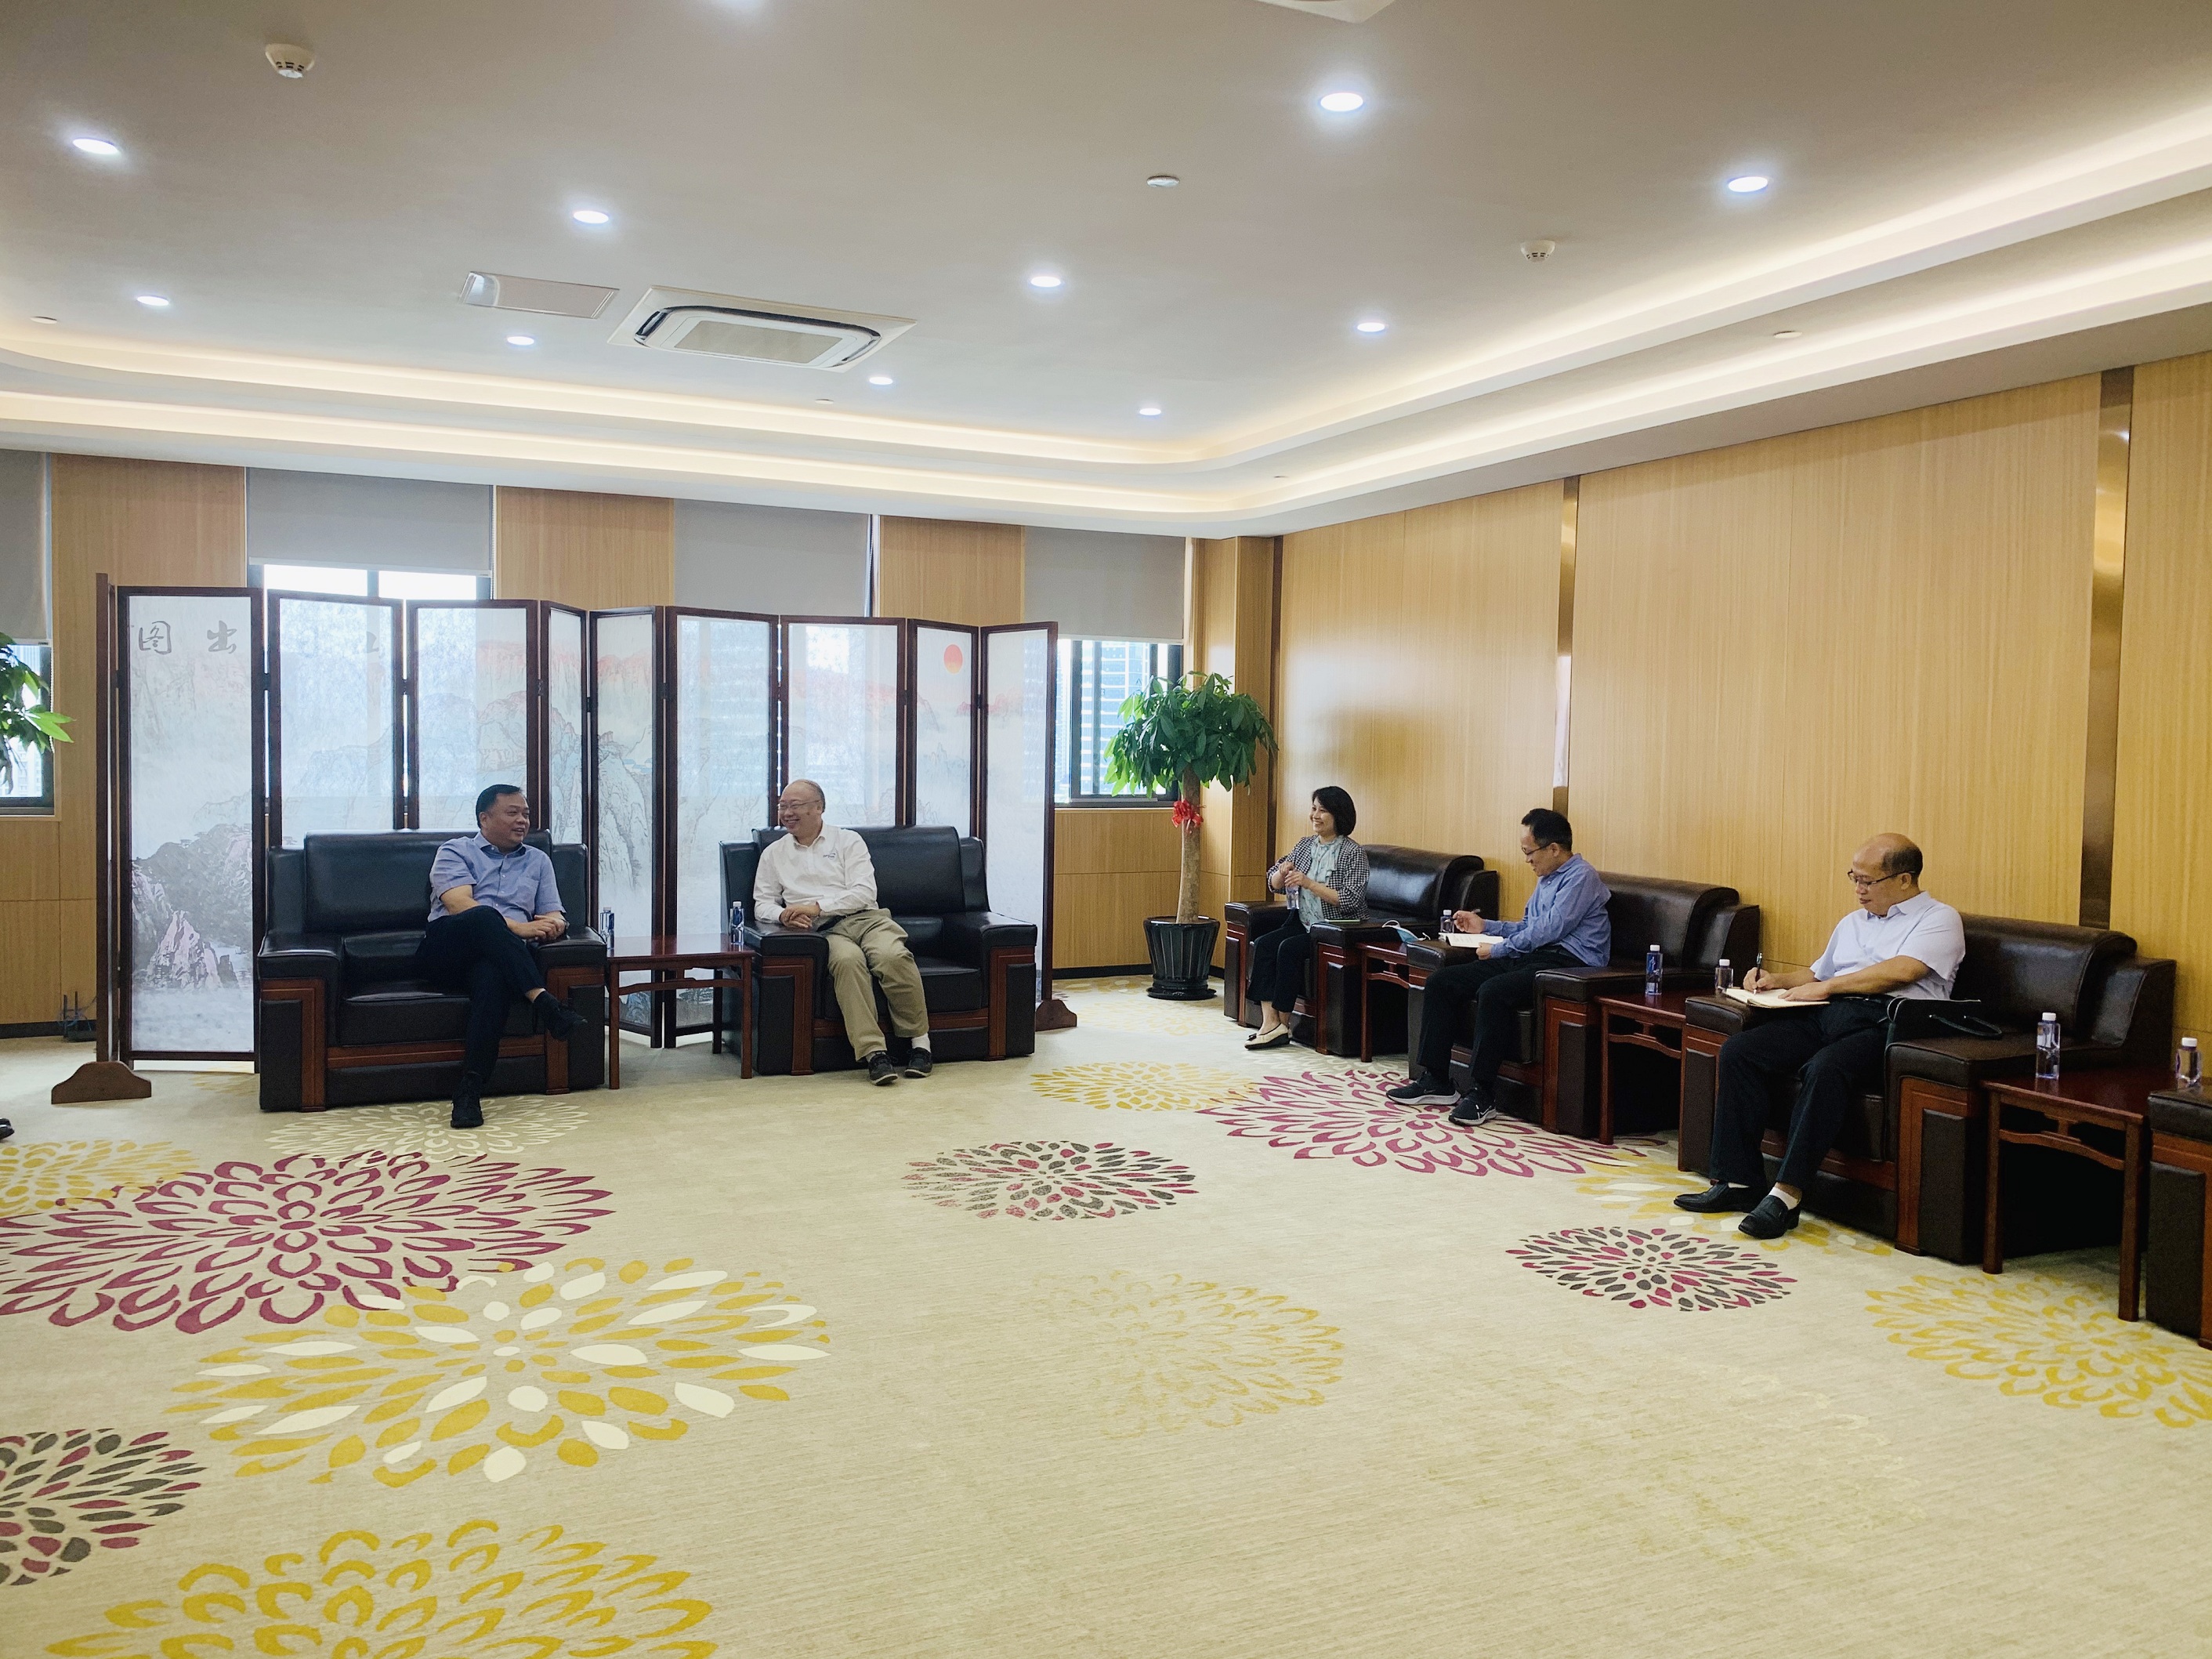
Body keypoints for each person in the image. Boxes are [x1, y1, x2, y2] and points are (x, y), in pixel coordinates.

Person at [1676, 832, 1964, 1238]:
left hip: (1889, 1024)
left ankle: (1787, 1195)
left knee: (1825, 1068)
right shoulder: (1853, 922)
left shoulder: (1938, 919)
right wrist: (1775, 980)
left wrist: (1827, 987)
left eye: (1868, 881)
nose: (1859, 889)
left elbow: (1902, 971)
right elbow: (1817, 973)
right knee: (1742, 1051)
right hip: (1831, 1011)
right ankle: (1739, 1182)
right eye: (1854, 878)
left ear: (1904, 879)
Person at [1387, 808, 1610, 1127]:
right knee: (1442, 982)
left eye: (1529, 852)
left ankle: (1482, 1093)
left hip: (1569, 964)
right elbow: (1530, 927)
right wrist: (1486, 926)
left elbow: (1550, 930)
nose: (1527, 860)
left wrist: (1500, 949)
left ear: (1554, 849)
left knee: (1494, 991)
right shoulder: (1547, 879)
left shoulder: (1581, 877)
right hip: (1536, 956)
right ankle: (1436, 1080)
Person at [418, 784, 595, 1131]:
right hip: (448, 948)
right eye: (512, 813)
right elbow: (459, 905)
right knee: (485, 916)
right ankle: (545, 1002)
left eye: (526, 814)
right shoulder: (455, 851)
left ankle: (469, 1091)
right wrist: (522, 929)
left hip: (500, 959)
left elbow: (554, 913)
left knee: (492, 977)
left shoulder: (538, 861)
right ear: (484, 818)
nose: (523, 821)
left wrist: (555, 924)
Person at [754, 779, 932, 1087]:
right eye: (783, 806)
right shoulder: (774, 853)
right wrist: (783, 914)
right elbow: (762, 903)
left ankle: (920, 1044)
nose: (787, 813)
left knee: (892, 956)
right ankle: (874, 1054)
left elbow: (864, 892)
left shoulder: (848, 841)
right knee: (848, 963)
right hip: (825, 932)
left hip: (867, 919)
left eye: (795, 806)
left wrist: (815, 907)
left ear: (818, 808)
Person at [1244, 787, 1370, 1050]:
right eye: (1314, 809)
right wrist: (1282, 873)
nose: (1315, 815)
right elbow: (1274, 884)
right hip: (1301, 922)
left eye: (1323, 810)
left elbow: (1350, 900)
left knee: (1288, 949)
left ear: (1339, 815)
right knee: (1265, 944)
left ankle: (1283, 1024)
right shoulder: (1304, 846)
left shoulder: (1353, 853)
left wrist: (1309, 883)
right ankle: (1270, 1023)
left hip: (1333, 929)